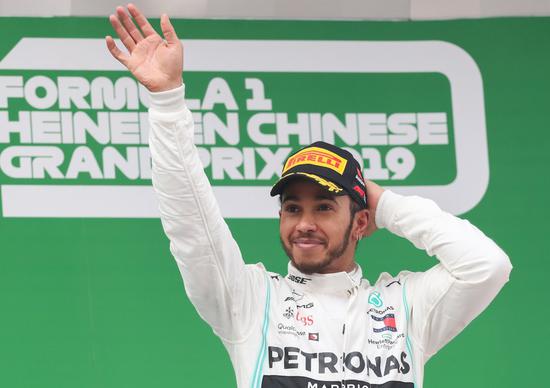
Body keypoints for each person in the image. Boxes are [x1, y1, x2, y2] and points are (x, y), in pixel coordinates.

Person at [106, 4, 513, 388]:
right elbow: (191, 224)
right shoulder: (250, 300)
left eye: (323, 207)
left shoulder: (405, 308)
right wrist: (167, 102)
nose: (304, 223)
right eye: (292, 207)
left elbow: (486, 265)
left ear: (360, 223)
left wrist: (384, 204)